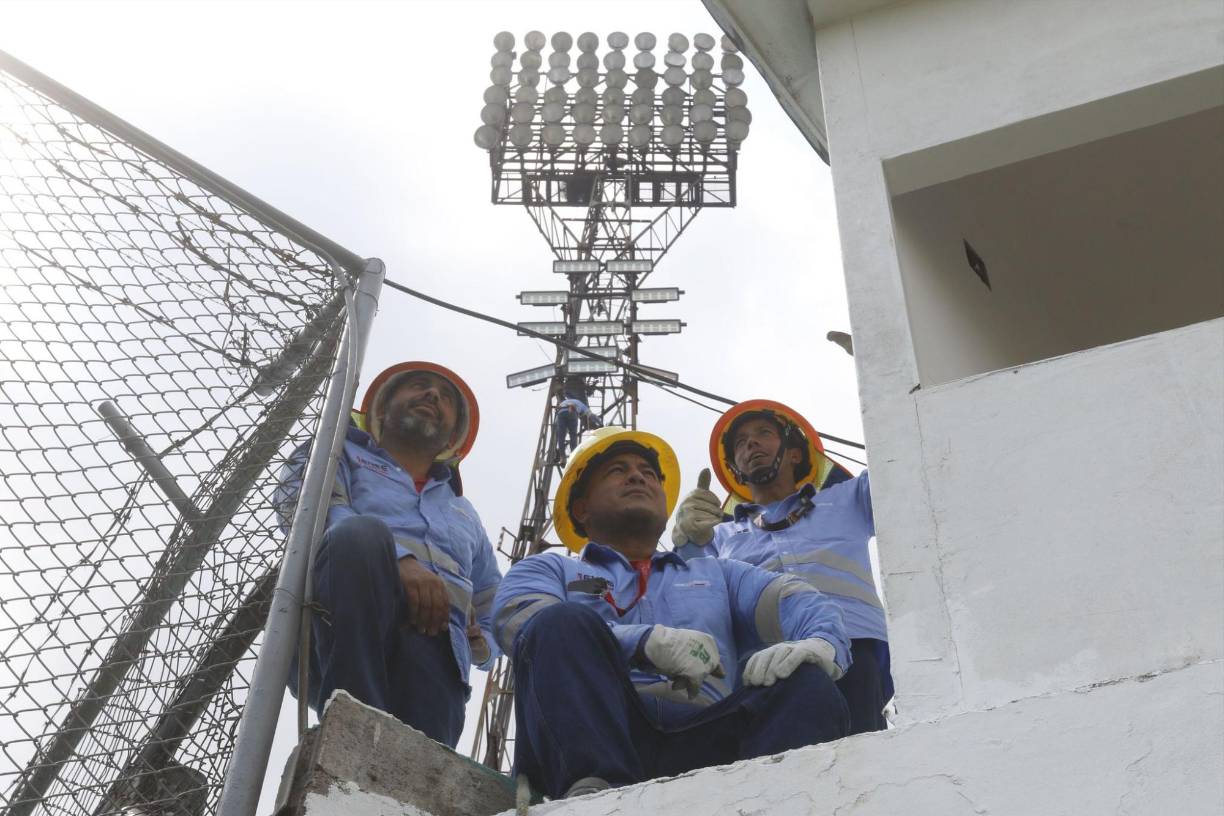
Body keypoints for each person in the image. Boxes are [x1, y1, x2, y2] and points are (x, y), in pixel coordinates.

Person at [492, 427, 850, 800]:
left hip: (708, 741)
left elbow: (799, 601)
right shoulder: (551, 571)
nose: (637, 476)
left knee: (806, 684)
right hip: (592, 741)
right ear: (581, 508)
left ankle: (778, 803)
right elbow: (522, 620)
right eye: (617, 470)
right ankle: (592, 798)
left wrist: (822, 643)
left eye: (649, 474)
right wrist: (643, 643)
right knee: (558, 623)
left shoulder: (718, 575)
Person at [276, 361, 501, 748]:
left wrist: (484, 644)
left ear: (453, 438)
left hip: (436, 656)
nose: (432, 395)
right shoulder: (334, 450)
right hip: (344, 628)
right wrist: (401, 562)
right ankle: (354, 720)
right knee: (359, 533)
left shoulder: (466, 514)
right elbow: (305, 507)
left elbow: (494, 600)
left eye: (446, 397)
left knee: (415, 783)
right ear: (380, 410)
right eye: (418, 386)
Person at [671, 399, 892, 735]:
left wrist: (887, 376)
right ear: (735, 469)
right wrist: (687, 541)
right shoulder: (720, 535)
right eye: (741, 442)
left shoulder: (849, 497)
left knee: (865, 762)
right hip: (762, 666)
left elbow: (903, 467)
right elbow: (686, 594)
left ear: (795, 453)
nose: (751, 444)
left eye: (764, 433)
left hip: (852, 647)